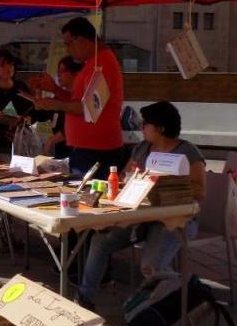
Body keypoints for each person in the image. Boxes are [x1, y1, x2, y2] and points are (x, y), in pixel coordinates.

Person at [77, 101, 206, 310]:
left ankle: (189, 291)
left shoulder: (187, 151)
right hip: (139, 217)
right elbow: (121, 178)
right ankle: (84, 298)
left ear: (160, 128)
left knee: (150, 265)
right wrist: (130, 176)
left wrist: (171, 186)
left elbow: (200, 192)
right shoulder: (142, 148)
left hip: (173, 219)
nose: (141, 127)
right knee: (100, 241)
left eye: (145, 124)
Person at [32, 16, 124, 177]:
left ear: (81, 40)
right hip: (89, 150)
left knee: (89, 192)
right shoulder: (94, 62)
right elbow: (79, 102)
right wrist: (55, 89)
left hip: (98, 150)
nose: (67, 50)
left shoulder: (103, 63)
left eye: (68, 44)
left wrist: (55, 104)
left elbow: (89, 108)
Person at [42, 56, 84, 158]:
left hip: (74, 152)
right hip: (58, 153)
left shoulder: (81, 98)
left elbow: (77, 123)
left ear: (76, 74)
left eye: (62, 71)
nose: (59, 75)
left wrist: (52, 140)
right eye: (58, 72)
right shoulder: (59, 96)